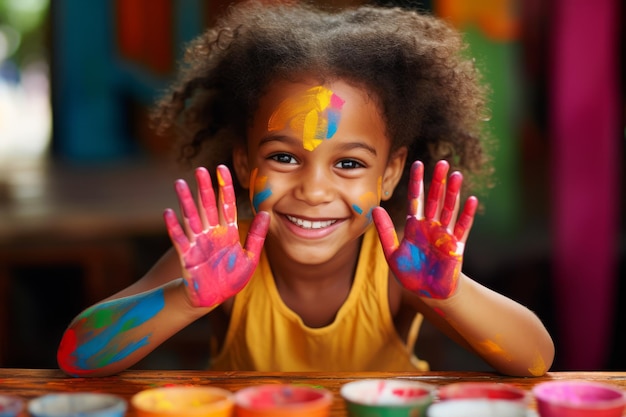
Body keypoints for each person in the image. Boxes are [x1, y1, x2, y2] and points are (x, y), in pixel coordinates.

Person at [56, 0, 554, 377]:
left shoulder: (399, 270)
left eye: (349, 163)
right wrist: (188, 299)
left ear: (391, 173)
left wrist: (449, 296)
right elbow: (77, 355)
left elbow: (536, 360)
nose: (314, 189)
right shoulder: (217, 262)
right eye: (285, 157)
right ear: (246, 163)